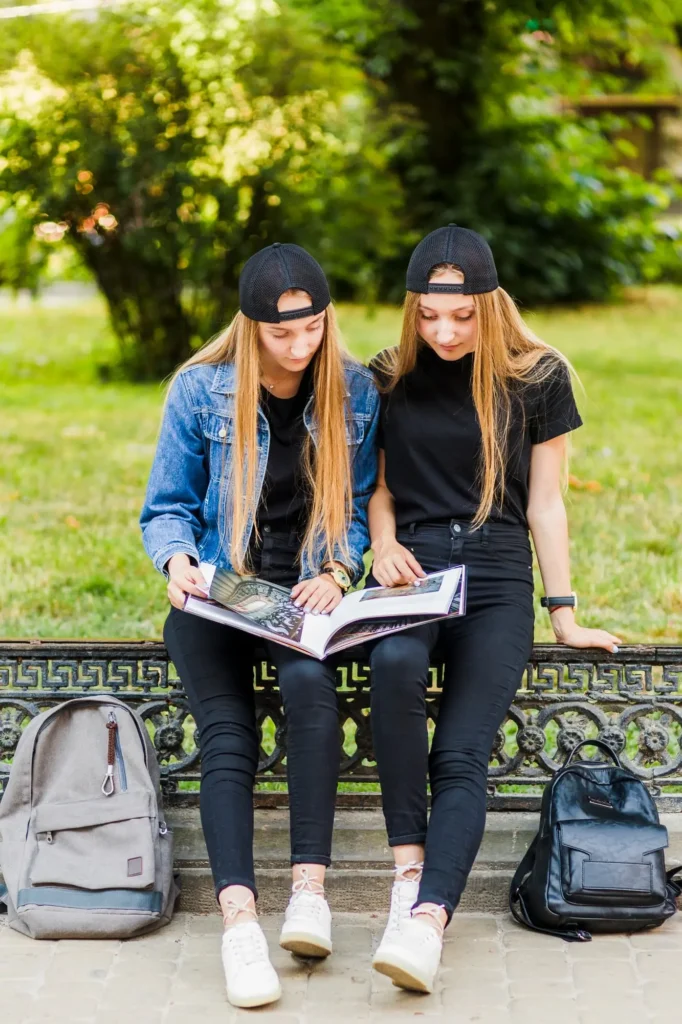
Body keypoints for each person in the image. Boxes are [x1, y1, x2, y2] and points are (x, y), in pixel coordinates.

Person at [366, 225, 621, 994]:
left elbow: (546, 505)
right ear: (413, 309)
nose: (444, 332)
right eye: (428, 316)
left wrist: (564, 613)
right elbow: (375, 488)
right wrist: (381, 547)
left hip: (497, 570)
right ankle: (406, 879)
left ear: (489, 303)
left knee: (462, 751)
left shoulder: (539, 378)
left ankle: (428, 922)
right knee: (395, 669)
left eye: (461, 317)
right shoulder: (387, 376)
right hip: (411, 570)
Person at [140, 243, 379, 1008]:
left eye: (312, 329)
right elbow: (168, 504)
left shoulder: (355, 392)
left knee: (314, 695)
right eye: (282, 334)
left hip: (297, 600)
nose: (300, 345)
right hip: (218, 595)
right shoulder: (200, 391)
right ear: (251, 328)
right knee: (227, 732)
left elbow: (357, 506)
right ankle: (239, 922)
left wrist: (338, 572)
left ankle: (310, 892)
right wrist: (176, 560)